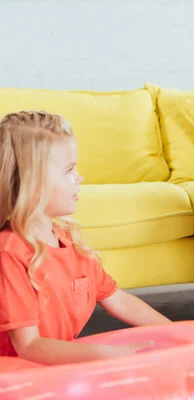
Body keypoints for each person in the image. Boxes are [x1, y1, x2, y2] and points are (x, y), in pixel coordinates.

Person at [0, 111, 171, 364]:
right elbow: (30, 347)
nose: (79, 177)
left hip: (55, 370)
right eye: (69, 170)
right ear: (31, 182)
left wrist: (179, 333)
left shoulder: (67, 239)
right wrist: (105, 355)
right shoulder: (9, 252)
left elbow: (119, 301)